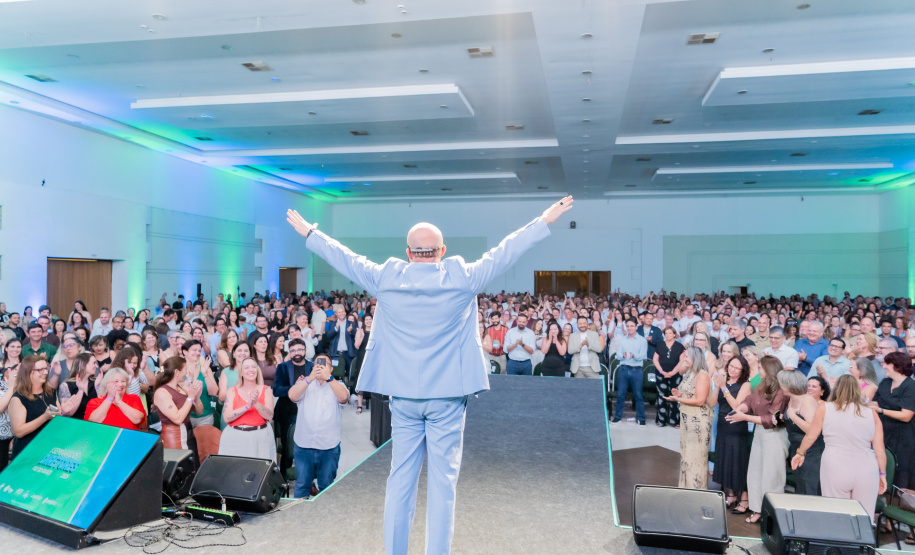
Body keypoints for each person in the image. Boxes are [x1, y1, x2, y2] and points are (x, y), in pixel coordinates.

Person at [286, 196, 573, 554]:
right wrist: (544, 220)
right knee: (443, 484)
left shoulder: (387, 277)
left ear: (409, 252)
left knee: (400, 479)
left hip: (404, 397)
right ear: (442, 251)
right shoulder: (462, 276)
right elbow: (505, 252)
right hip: (448, 397)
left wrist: (311, 233)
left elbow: (345, 259)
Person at [793, 375, 887, 524]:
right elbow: (880, 450)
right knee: (864, 518)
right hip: (866, 468)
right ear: (857, 391)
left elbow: (811, 436)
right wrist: (882, 474)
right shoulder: (872, 413)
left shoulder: (825, 407)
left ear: (836, 389)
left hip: (835, 464)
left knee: (835, 516)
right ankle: (860, 547)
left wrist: (800, 453)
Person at [725, 355, 789, 524]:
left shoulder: (781, 391)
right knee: (755, 473)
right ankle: (757, 509)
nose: (757, 370)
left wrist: (744, 417)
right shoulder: (761, 385)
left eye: (760, 367)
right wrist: (740, 410)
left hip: (774, 436)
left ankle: (772, 514)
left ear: (769, 370)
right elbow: (749, 401)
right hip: (760, 433)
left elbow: (772, 420)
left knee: (771, 477)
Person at [288, 353, 350, 498]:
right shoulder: (305, 383)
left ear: (331, 369)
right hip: (304, 445)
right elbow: (292, 395)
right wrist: (309, 378)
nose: (321, 366)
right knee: (302, 486)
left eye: (325, 364)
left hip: (328, 446)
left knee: (327, 487)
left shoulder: (338, 385)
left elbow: (343, 398)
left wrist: (329, 378)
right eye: (318, 364)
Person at [664, 346, 712, 489]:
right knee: (687, 456)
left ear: (695, 358)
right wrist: (679, 394)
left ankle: (696, 490)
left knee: (696, 458)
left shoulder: (702, 375)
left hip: (698, 423)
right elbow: (690, 393)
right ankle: (685, 487)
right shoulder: (691, 373)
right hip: (687, 420)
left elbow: (700, 400)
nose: (684, 360)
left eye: (687, 357)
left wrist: (678, 400)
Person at [710, 355, 752, 514]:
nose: (732, 370)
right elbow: (713, 403)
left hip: (736, 426)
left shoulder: (745, 385)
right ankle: (732, 495)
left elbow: (737, 406)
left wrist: (724, 388)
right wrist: (717, 386)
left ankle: (744, 499)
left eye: (736, 368)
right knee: (725, 459)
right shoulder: (723, 382)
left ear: (743, 370)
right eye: (731, 366)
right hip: (722, 424)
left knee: (737, 461)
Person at [870, 351, 915, 491]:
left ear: (897, 366)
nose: (883, 366)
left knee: (900, 470)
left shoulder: (911, 387)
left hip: (903, 437)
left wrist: (882, 411)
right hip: (883, 432)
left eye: (887, 363)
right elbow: (876, 402)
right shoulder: (885, 382)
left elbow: (906, 415)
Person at [220, 357, 275, 460]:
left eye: (253, 367)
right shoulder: (232, 391)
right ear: (241, 372)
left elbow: (270, 416)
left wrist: (256, 403)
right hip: (235, 438)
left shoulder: (266, 389)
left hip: (260, 438)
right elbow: (227, 418)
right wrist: (247, 406)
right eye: (247, 367)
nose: (251, 370)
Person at [153, 356, 204, 462]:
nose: (187, 373)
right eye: (185, 369)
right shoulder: (162, 392)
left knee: (193, 468)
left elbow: (199, 412)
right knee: (181, 470)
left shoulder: (182, 388)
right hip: (175, 436)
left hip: (189, 434)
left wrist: (197, 397)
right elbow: (177, 419)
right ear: (177, 372)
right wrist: (190, 397)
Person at [780, 369, 823, 495]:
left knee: (809, 488)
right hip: (797, 450)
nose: (779, 386)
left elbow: (813, 430)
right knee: (801, 487)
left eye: (781, 383)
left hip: (811, 453)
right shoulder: (791, 399)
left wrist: (793, 416)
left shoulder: (807, 401)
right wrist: (781, 418)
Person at [8, 355, 59, 458]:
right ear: (28, 373)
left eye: (46, 368)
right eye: (40, 370)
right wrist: (44, 417)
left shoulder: (51, 392)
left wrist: (64, 411)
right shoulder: (18, 398)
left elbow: (57, 415)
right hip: (27, 452)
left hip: (48, 448)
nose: (45, 372)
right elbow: (18, 431)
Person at [273, 338, 310, 475]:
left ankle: (308, 479)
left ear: (305, 350)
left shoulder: (312, 367)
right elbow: (276, 390)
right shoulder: (283, 367)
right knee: (288, 449)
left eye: (300, 349)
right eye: (293, 350)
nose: (297, 353)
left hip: (308, 412)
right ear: (289, 352)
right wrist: (295, 387)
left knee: (308, 448)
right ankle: (283, 480)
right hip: (287, 413)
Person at [652, 327, 684, 427]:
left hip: (676, 375)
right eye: (666, 333)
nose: (668, 335)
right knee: (662, 397)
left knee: (674, 397)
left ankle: (675, 421)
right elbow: (655, 359)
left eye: (670, 333)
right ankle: (661, 420)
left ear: (674, 334)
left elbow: (681, 361)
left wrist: (673, 372)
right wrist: (662, 372)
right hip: (661, 375)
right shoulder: (660, 344)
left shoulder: (680, 346)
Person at [57, 353, 97, 421]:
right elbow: (68, 414)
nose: (96, 366)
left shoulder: (96, 382)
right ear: (83, 364)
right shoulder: (66, 386)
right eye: (94, 363)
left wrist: (98, 387)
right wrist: (80, 391)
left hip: (95, 424)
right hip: (75, 425)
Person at [0, 364, 19, 470]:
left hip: (18, 437)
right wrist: (11, 387)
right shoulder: (6, 386)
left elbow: (54, 414)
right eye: (16, 369)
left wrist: (60, 414)